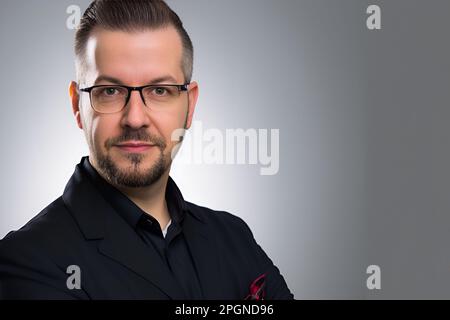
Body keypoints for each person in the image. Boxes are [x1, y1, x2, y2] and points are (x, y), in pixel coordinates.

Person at [0, 0, 293, 300]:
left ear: (190, 105)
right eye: (110, 91)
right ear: (77, 106)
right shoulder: (27, 261)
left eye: (159, 90)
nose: (135, 118)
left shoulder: (233, 237)